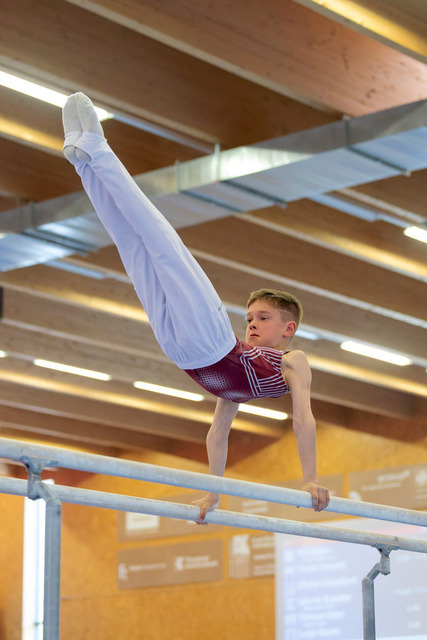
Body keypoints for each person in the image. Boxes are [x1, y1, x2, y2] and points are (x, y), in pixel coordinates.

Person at [62, 92, 330, 524]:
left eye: (263, 318)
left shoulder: (293, 361)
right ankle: (90, 155)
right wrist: (216, 493)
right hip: (208, 344)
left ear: (289, 329)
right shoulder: (242, 366)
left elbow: (296, 420)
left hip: (183, 351)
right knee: (153, 242)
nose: (252, 323)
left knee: (139, 247)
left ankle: (87, 163)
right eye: (250, 317)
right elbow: (220, 433)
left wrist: (302, 480)